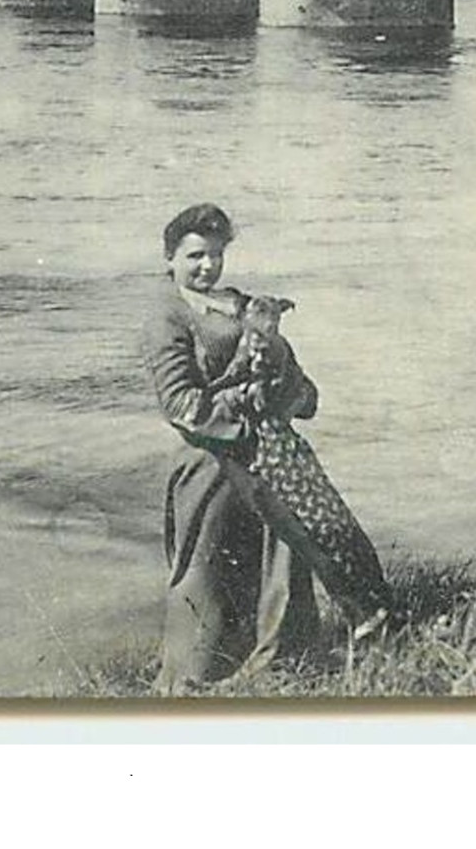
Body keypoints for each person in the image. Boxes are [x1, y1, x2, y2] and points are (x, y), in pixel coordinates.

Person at [140, 204, 319, 692]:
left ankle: (281, 660)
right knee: (205, 575)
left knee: (285, 547)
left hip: (266, 453)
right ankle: (189, 675)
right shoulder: (167, 318)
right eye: (195, 256)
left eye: (216, 255)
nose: (207, 267)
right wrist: (243, 423)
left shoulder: (243, 306)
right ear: (170, 259)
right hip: (210, 461)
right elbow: (181, 405)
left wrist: (283, 381)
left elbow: (298, 388)